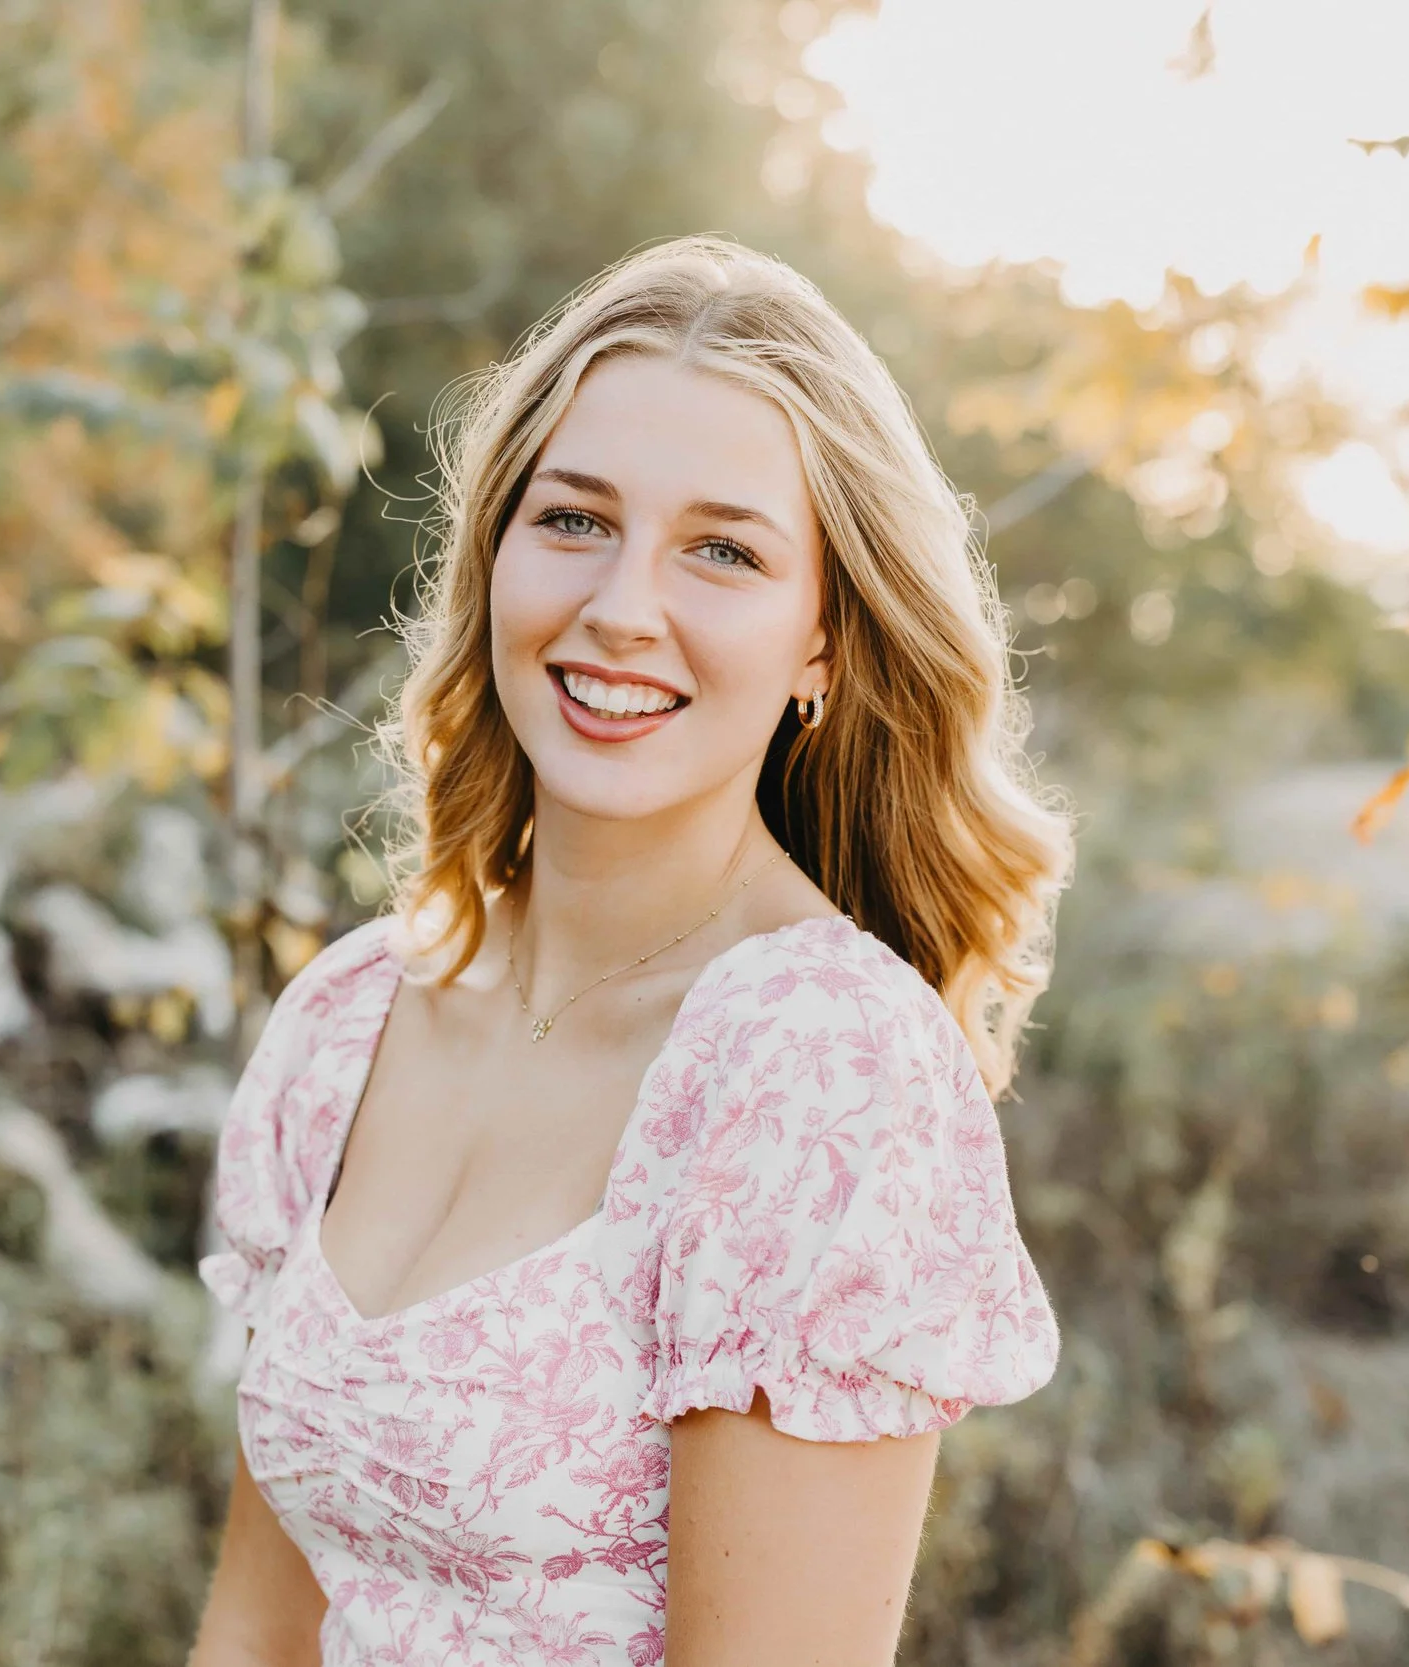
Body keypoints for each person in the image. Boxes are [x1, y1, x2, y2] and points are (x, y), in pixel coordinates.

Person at [188, 235, 1071, 1667]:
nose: (620, 609)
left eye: (723, 550)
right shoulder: (348, 1018)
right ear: (492, 555)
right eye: (575, 519)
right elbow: (254, 1629)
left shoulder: (819, 1069)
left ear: (822, 644)